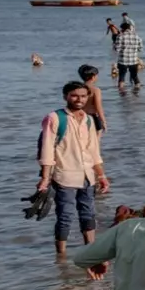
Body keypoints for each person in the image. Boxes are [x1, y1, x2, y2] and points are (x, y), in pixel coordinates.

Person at [37, 81, 109, 256]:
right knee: (65, 216)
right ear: (66, 96)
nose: (79, 99)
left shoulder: (89, 120)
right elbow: (47, 149)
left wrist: (101, 176)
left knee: (88, 214)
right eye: (74, 95)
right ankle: (61, 256)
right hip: (64, 176)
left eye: (83, 96)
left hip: (87, 176)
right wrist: (45, 178)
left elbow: (94, 151)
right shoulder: (55, 118)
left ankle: (90, 251)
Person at [112, 16, 143, 92]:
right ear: (129, 28)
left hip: (123, 61)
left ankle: (122, 96)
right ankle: (137, 93)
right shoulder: (137, 37)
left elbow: (117, 49)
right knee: (135, 77)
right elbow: (140, 49)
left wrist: (115, 46)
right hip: (133, 61)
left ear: (122, 29)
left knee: (122, 78)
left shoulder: (120, 36)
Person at [76, 63, 108, 131]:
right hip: (92, 117)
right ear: (93, 77)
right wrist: (103, 120)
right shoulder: (95, 90)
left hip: (79, 116)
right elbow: (98, 107)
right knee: (95, 140)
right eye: (97, 75)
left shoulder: (77, 88)